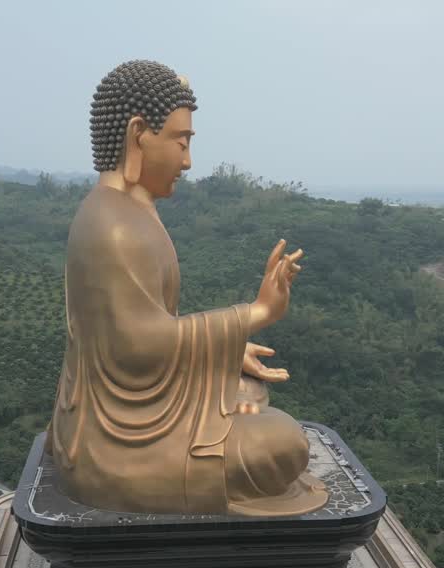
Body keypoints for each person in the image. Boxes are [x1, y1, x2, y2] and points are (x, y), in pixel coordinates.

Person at [48, 60, 327, 517]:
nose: (188, 160)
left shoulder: (129, 211)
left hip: (140, 407)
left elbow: (147, 332)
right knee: (282, 444)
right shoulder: (112, 226)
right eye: (181, 141)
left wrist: (221, 354)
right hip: (116, 442)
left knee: (247, 391)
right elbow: (136, 345)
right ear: (139, 133)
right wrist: (257, 313)